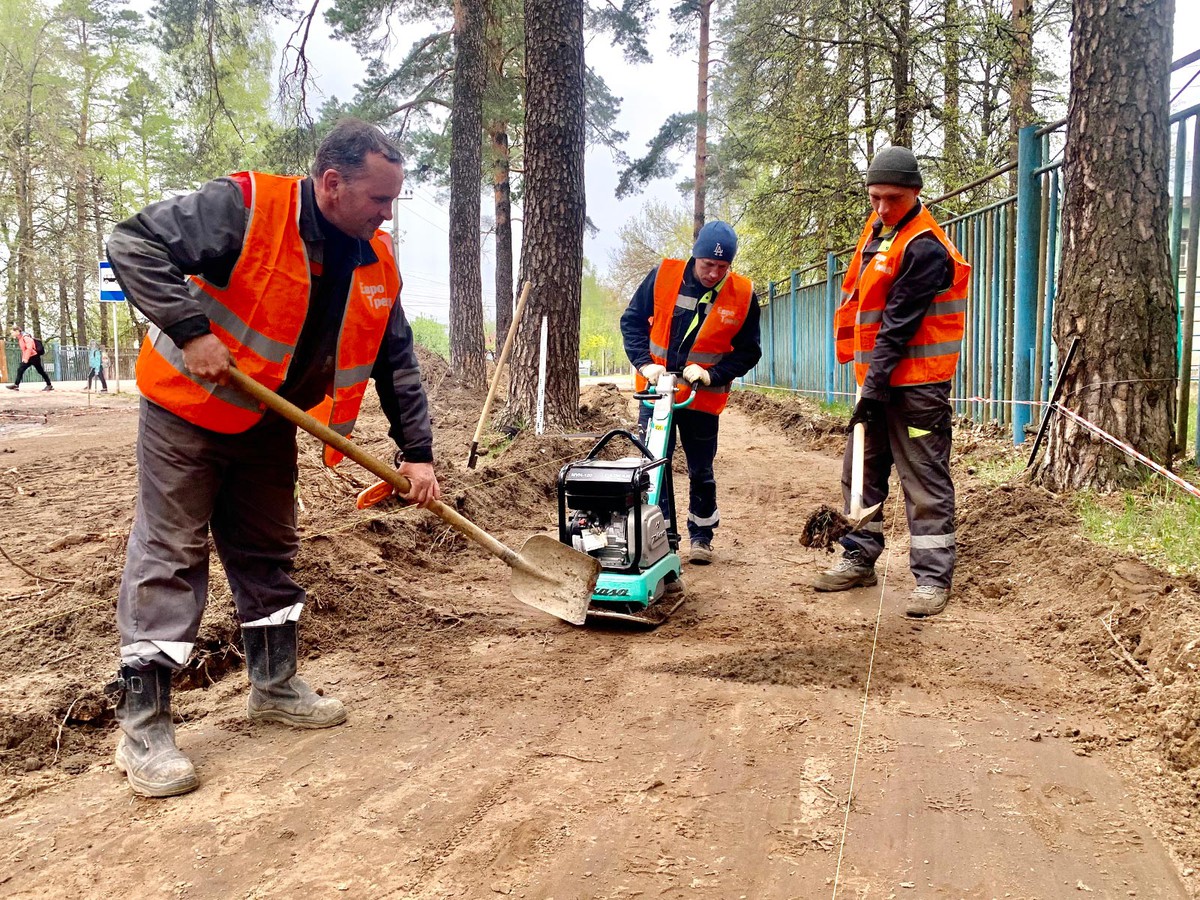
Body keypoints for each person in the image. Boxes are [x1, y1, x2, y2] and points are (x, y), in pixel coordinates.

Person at [103, 118, 441, 798]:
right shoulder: (245, 208)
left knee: (267, 549)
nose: (387, 213)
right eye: (379, 198)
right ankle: (142, 727)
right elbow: (132, 241)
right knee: (170, 553)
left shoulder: (374, 258)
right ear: (333, 182)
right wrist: (190, 330)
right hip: (187, 409)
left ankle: (276, 686)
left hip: (265, 420)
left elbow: (394, 359)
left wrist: (419, 452)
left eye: (393, 200)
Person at [813, 146, 970, 619]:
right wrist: (868, 386)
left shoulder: (924, 247)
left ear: (917, 193)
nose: (881, 207)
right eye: (875, 197)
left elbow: (899, 325)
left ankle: (931, 579)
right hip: (877, 380)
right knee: (860, 471)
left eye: (893, 198)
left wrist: (873, 389)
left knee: (923, 478)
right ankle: (859, 556)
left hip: (918, 388)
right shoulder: (880, 232)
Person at [621, 221, 762, 566]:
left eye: (722, 267)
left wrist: (712, 374)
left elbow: (749, 351)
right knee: (656, 468)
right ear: (695, 255)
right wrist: (644, 364)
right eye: (707, 265)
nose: (714, 273)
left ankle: (702, 536)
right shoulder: (663, 277)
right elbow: (632, 322)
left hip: (701, 398)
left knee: (701, 469)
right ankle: (663, 539)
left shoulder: (743, 294)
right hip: (657, 394)